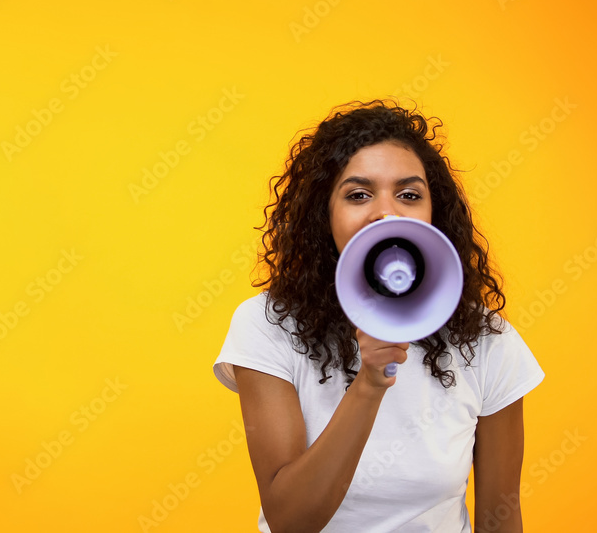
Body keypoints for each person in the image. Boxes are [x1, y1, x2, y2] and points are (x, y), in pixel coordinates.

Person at [212, 100, 544, 533]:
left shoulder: (485, 339)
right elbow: (290, 521)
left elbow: (500, 520)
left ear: (433, 214)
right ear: (323, 214)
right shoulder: (267, 325)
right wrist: (368, 384)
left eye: (409, 194)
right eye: (358, 194)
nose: (386, 212)